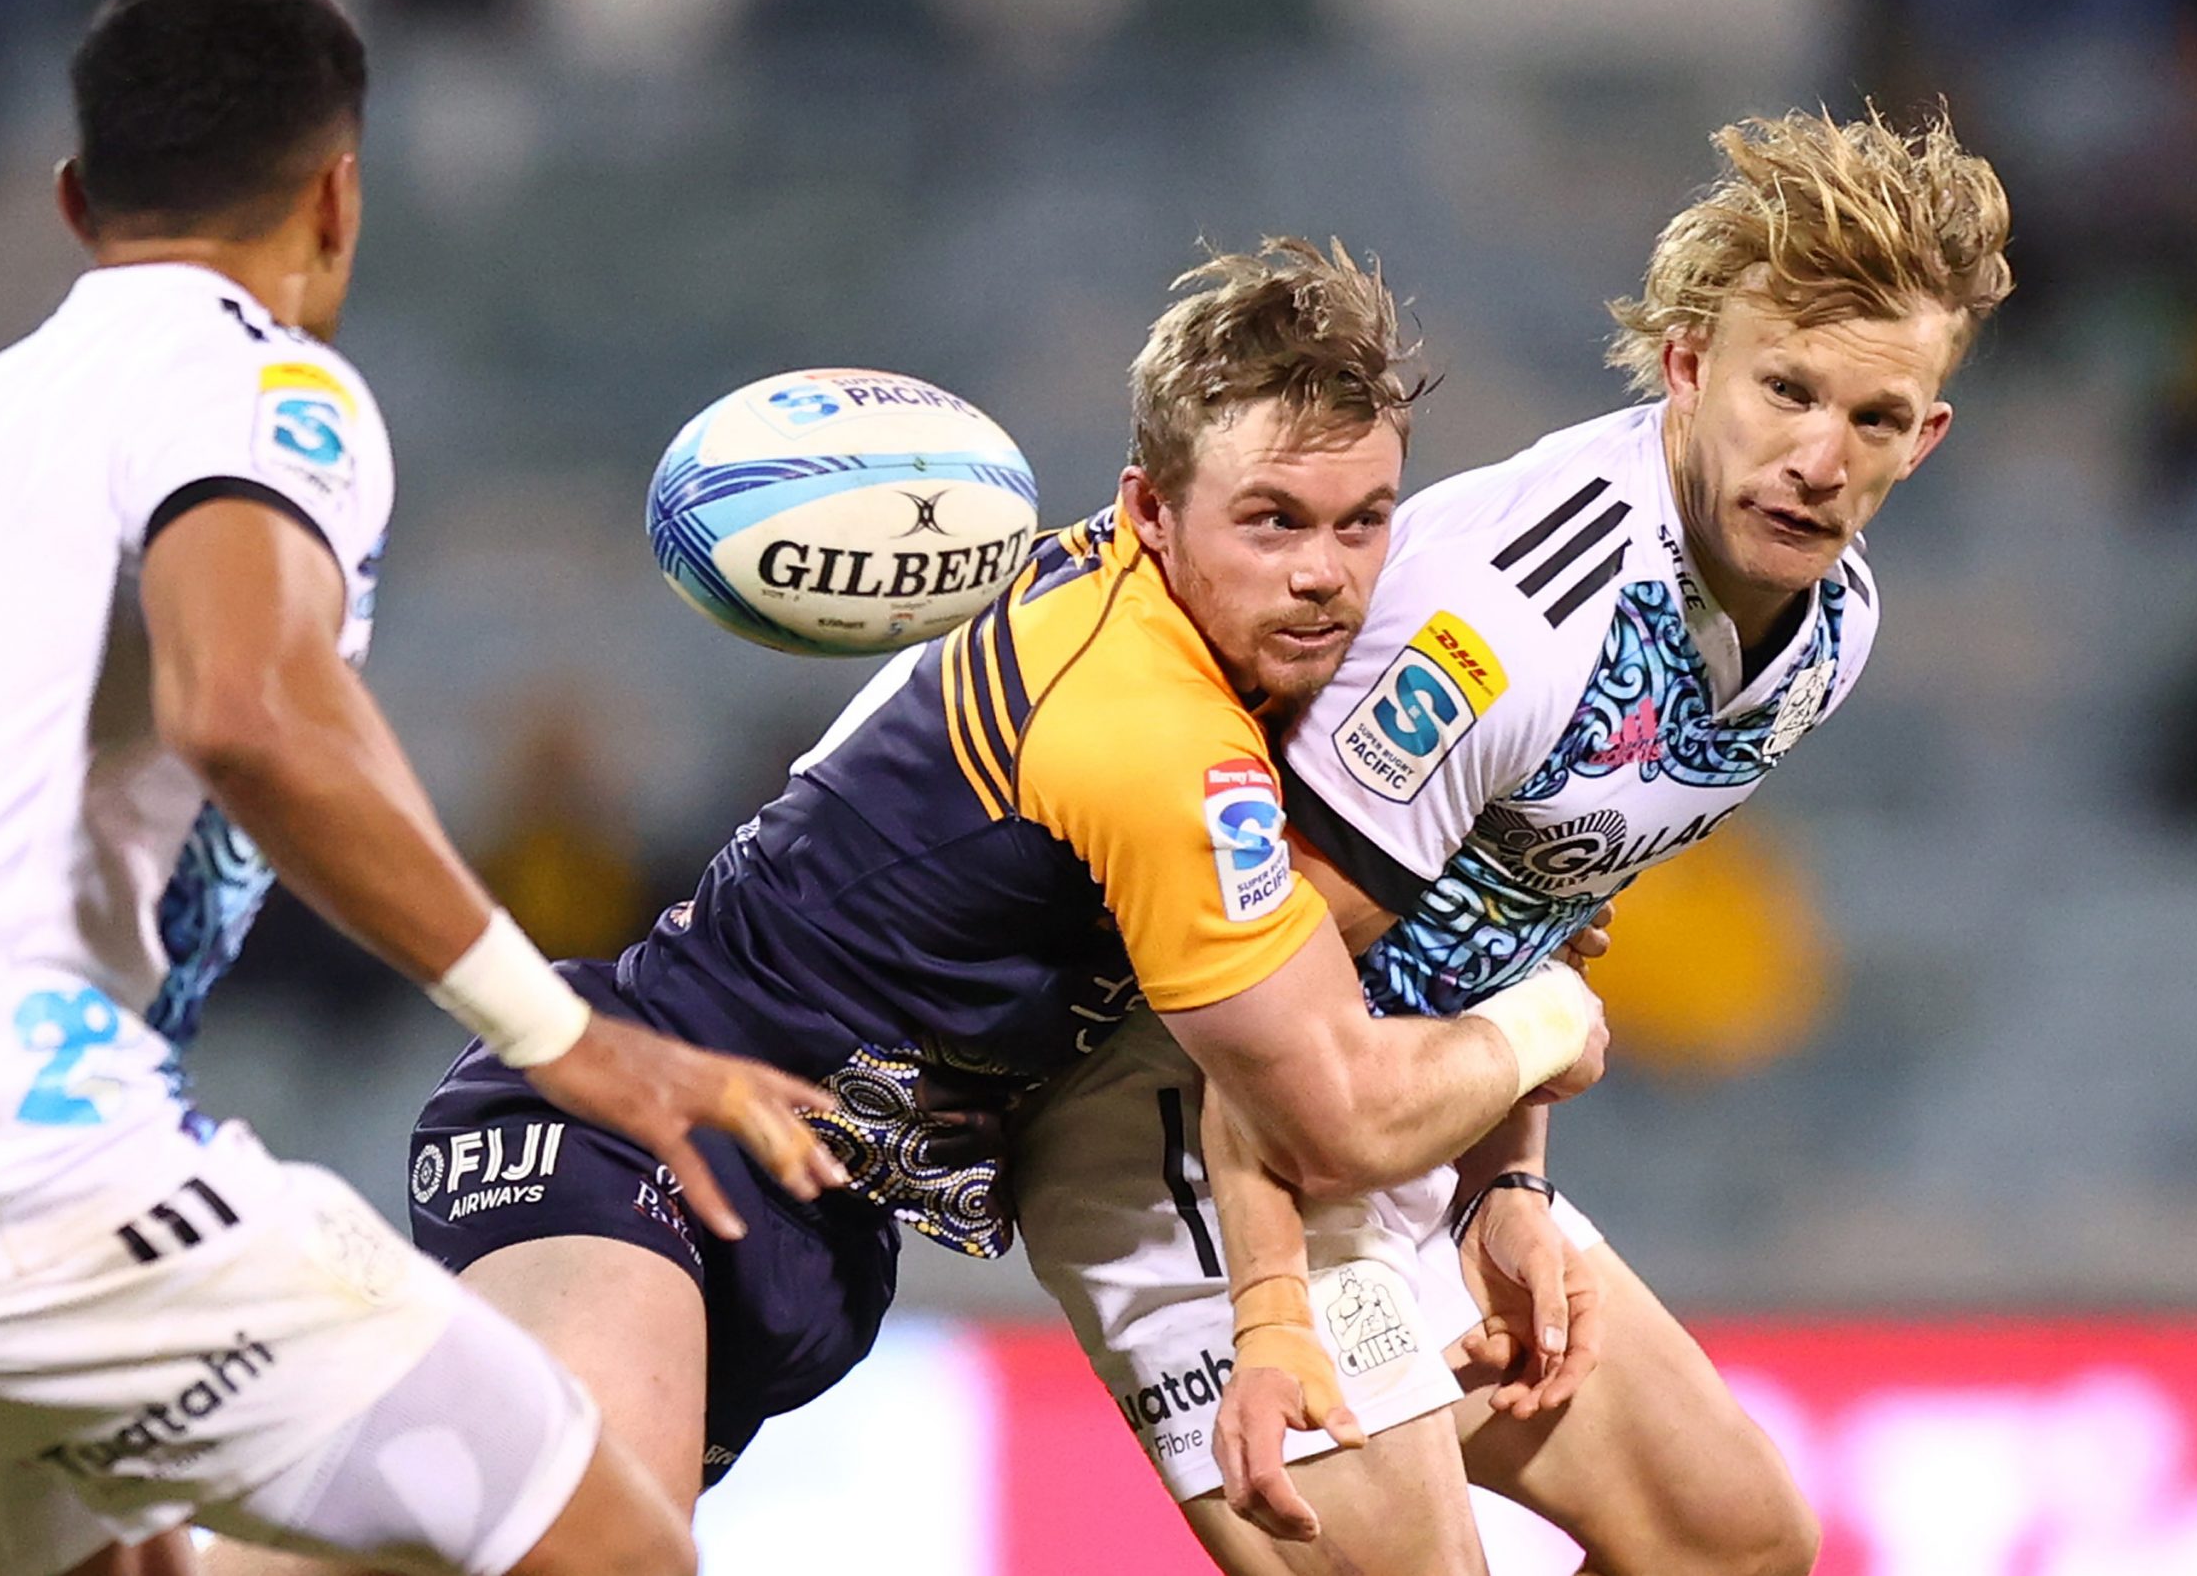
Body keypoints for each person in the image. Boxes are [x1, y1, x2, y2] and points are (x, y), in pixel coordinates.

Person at [208, 238, 1613, 1576]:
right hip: (631, 1132)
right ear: (1147, 511)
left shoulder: (1223, 662)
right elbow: (1328, 1104)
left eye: (1365, 520)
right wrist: (1544, 1008)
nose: (1324, 571)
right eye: (1273, 521)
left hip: (818, 1228)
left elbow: (1265, 1007)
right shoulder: (1151, 730)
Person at [0, 0, 840, 1576]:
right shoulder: (257, 376)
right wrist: (565, 1036)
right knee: (616, 1552)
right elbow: (243, 707)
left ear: (70, 197)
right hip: (5, 1158)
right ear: (338, 195)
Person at [1015, 104, 2015, 1576]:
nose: (1818, 457)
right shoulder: (1514, 615)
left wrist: (1509, 1188)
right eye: (1785, 391)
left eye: (1871, 420)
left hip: (1396, 1104)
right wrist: (1274, 1302)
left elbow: (1545, 896)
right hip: (1188, 1108)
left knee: (1731, 1543)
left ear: (1925, 436)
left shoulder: (1826, 630)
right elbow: (1251, 984)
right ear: (1689, 369)